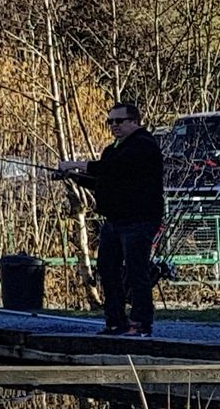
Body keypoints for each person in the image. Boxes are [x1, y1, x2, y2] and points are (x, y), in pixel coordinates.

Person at [62, 101, 166, 336]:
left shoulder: (144, 145)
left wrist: (76, 163)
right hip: (114, 220)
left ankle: (140, 323)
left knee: (136, 270)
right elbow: (104, 179)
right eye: (110, 121)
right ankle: (115, 320)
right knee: (107, 269)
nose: (113, 126)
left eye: (119, 121)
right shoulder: (112, 150)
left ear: (134, 122)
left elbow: (115, 168)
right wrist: (74, 176)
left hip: (139, 219)